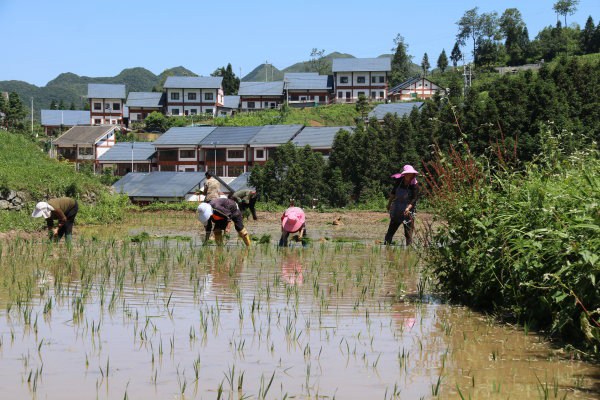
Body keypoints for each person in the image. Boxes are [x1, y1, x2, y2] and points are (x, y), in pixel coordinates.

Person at [384, 165, 419, 246]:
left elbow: (414, 199)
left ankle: (408, 248)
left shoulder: (415, 185)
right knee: (391, 229)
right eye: (408, 174)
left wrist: (408, 208)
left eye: (411, 174)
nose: (410, 175)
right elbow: (393, 193)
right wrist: (389, 204)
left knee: (408, 231)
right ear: (405, 174)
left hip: (408, 210)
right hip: (397, 208)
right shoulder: (399, 181)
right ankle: (386, 245)